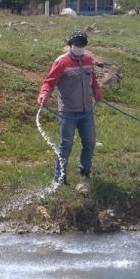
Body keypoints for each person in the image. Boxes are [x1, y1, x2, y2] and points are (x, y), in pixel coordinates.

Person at [37, 30, 103, 187]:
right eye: (77, 44)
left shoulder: (88, 59)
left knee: (89, 142)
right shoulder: (62, 62)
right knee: (66, 145)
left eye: (82, 44)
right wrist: (44, 94)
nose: (80, 47)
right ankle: (60, 179)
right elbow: (49, 81)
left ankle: (84, 173)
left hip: (86, 111)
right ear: (70, 45)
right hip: (68, 112)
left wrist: (97, 91)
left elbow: (92, 79)